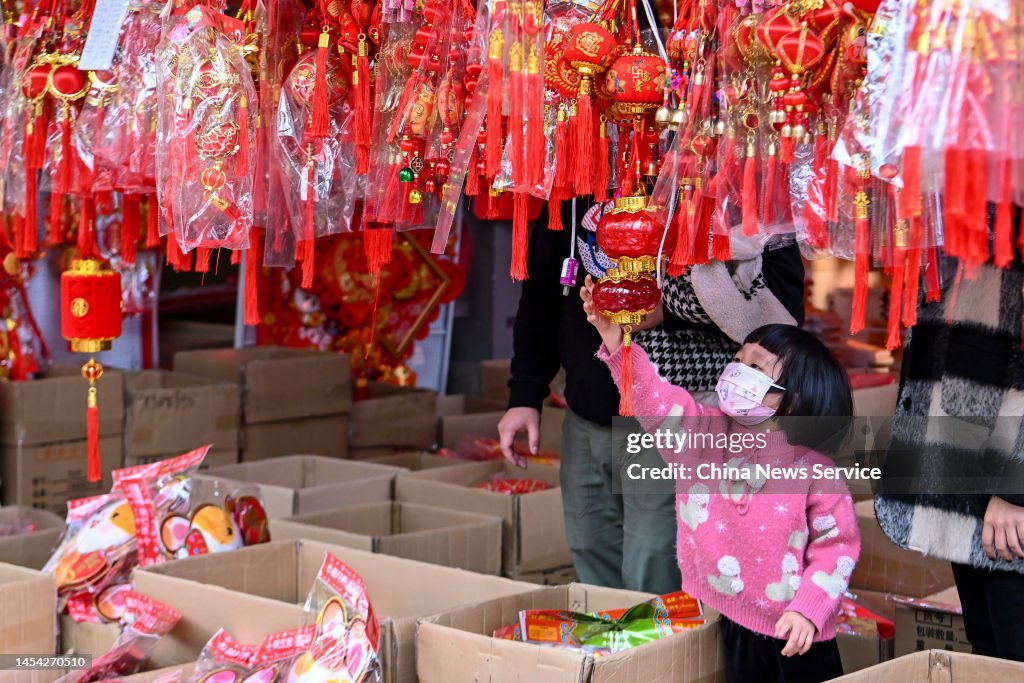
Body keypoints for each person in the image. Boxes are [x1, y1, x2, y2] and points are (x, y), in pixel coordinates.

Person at [498, 198, 806, 594]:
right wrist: (525, 393)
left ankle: (656, 658)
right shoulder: (577, 181)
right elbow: (542, 292)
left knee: (657, 577)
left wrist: (669, 308)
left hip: (680, 413)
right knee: (593, 561)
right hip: (587, 414)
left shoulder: (717, 180)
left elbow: (782, 306)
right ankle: (610, 654)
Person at [581, 285, 860, 683]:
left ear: (793, 402)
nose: (736, 370)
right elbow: (654, 400)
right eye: (737, 358)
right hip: (722, 618)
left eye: (756, 367)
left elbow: (837, 550)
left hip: (795, 634)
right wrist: (617, 342)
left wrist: (808, 610)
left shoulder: (817, 475)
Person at [874, 260, 1024, 662]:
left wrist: (1015, 487)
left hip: (1004, 491)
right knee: (987, 651)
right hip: (965, 476)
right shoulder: (957, 238)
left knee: (1012, 653)